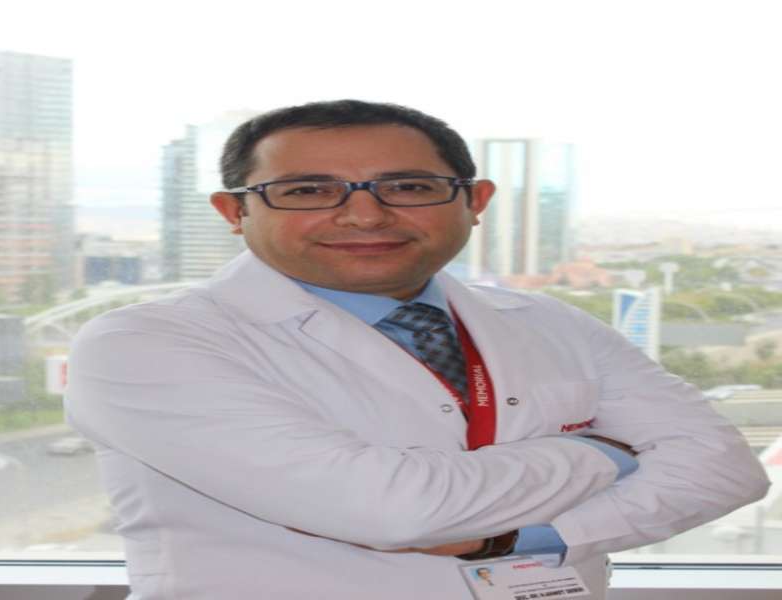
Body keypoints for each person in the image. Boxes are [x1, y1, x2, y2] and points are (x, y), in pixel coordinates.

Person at [65, 99, 769, 600]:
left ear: (475, 201)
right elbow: (391, 510)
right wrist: (602, 454)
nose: (364, 214)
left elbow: (724, 469)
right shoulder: (144, 344)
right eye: (307, 190)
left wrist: (521, 539)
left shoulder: (547, 319)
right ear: (234, 211)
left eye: (408, 187)